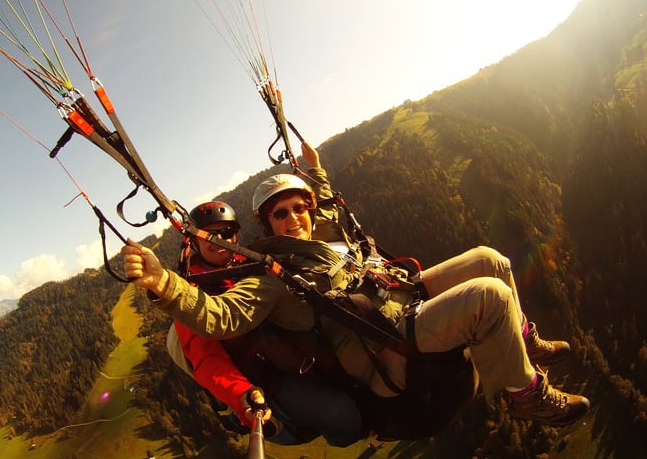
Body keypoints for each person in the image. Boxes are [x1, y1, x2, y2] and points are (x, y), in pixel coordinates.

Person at [122, 140, 590, 431]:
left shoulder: (317, 233)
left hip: (400, 298)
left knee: (491, 260)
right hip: (384, 343)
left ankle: (524, 342)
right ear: (266, 225)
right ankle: (526, 396)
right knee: (490, 298)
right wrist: (164, 282)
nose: (293, 218)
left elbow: (324, 205)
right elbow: (220, 317)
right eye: (279, 213)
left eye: (297, 208)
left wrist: (315, 168)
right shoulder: (270, 276)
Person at [167, 200, 363, 446]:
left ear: (235, 234)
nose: (219, 241)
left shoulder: (253, 262)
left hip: (295, 348)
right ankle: (350, 435)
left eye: (226, 232)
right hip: (264, 379)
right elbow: (207, 360)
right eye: (209, 236)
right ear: (194, 243)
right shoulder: (192, 297)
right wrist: (241, 393)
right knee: (343, 414)